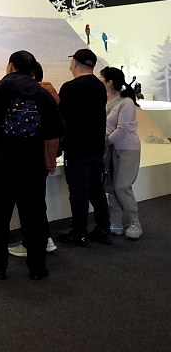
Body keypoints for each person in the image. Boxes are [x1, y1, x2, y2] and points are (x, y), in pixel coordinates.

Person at [0, 50, 64, 280]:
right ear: (32, 70)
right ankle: (37, 268)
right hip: (33, 165)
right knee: (34, 215)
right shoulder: (42, 94)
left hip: (3, 162)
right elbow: (57, 128)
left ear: (10, 66)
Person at [57, 49, 111, 246]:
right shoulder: (99, 86)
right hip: (96, 147)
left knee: (78, 192)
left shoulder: (69, 88)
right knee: (96, 190)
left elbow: (62, 119)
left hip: (77, 147)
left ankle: (79, 232)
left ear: (75, 63)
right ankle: (103, 229)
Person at [8, 61, 59, 258]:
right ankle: (43, 240)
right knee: (37, 202)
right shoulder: (49, 94)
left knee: (30, 204)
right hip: (44, 157)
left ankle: (36, 242)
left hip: (33, 157)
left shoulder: (37, 94)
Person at [100, 66, 143, 239]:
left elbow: (123, 128)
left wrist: (105, 142)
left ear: (110, 82)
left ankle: (134, 221)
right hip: (110, 149)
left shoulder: (126, 102)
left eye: (102, 79)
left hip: (127, 149)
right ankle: (115, 221)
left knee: (122, 186)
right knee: (110, 185)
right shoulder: (104, 100)